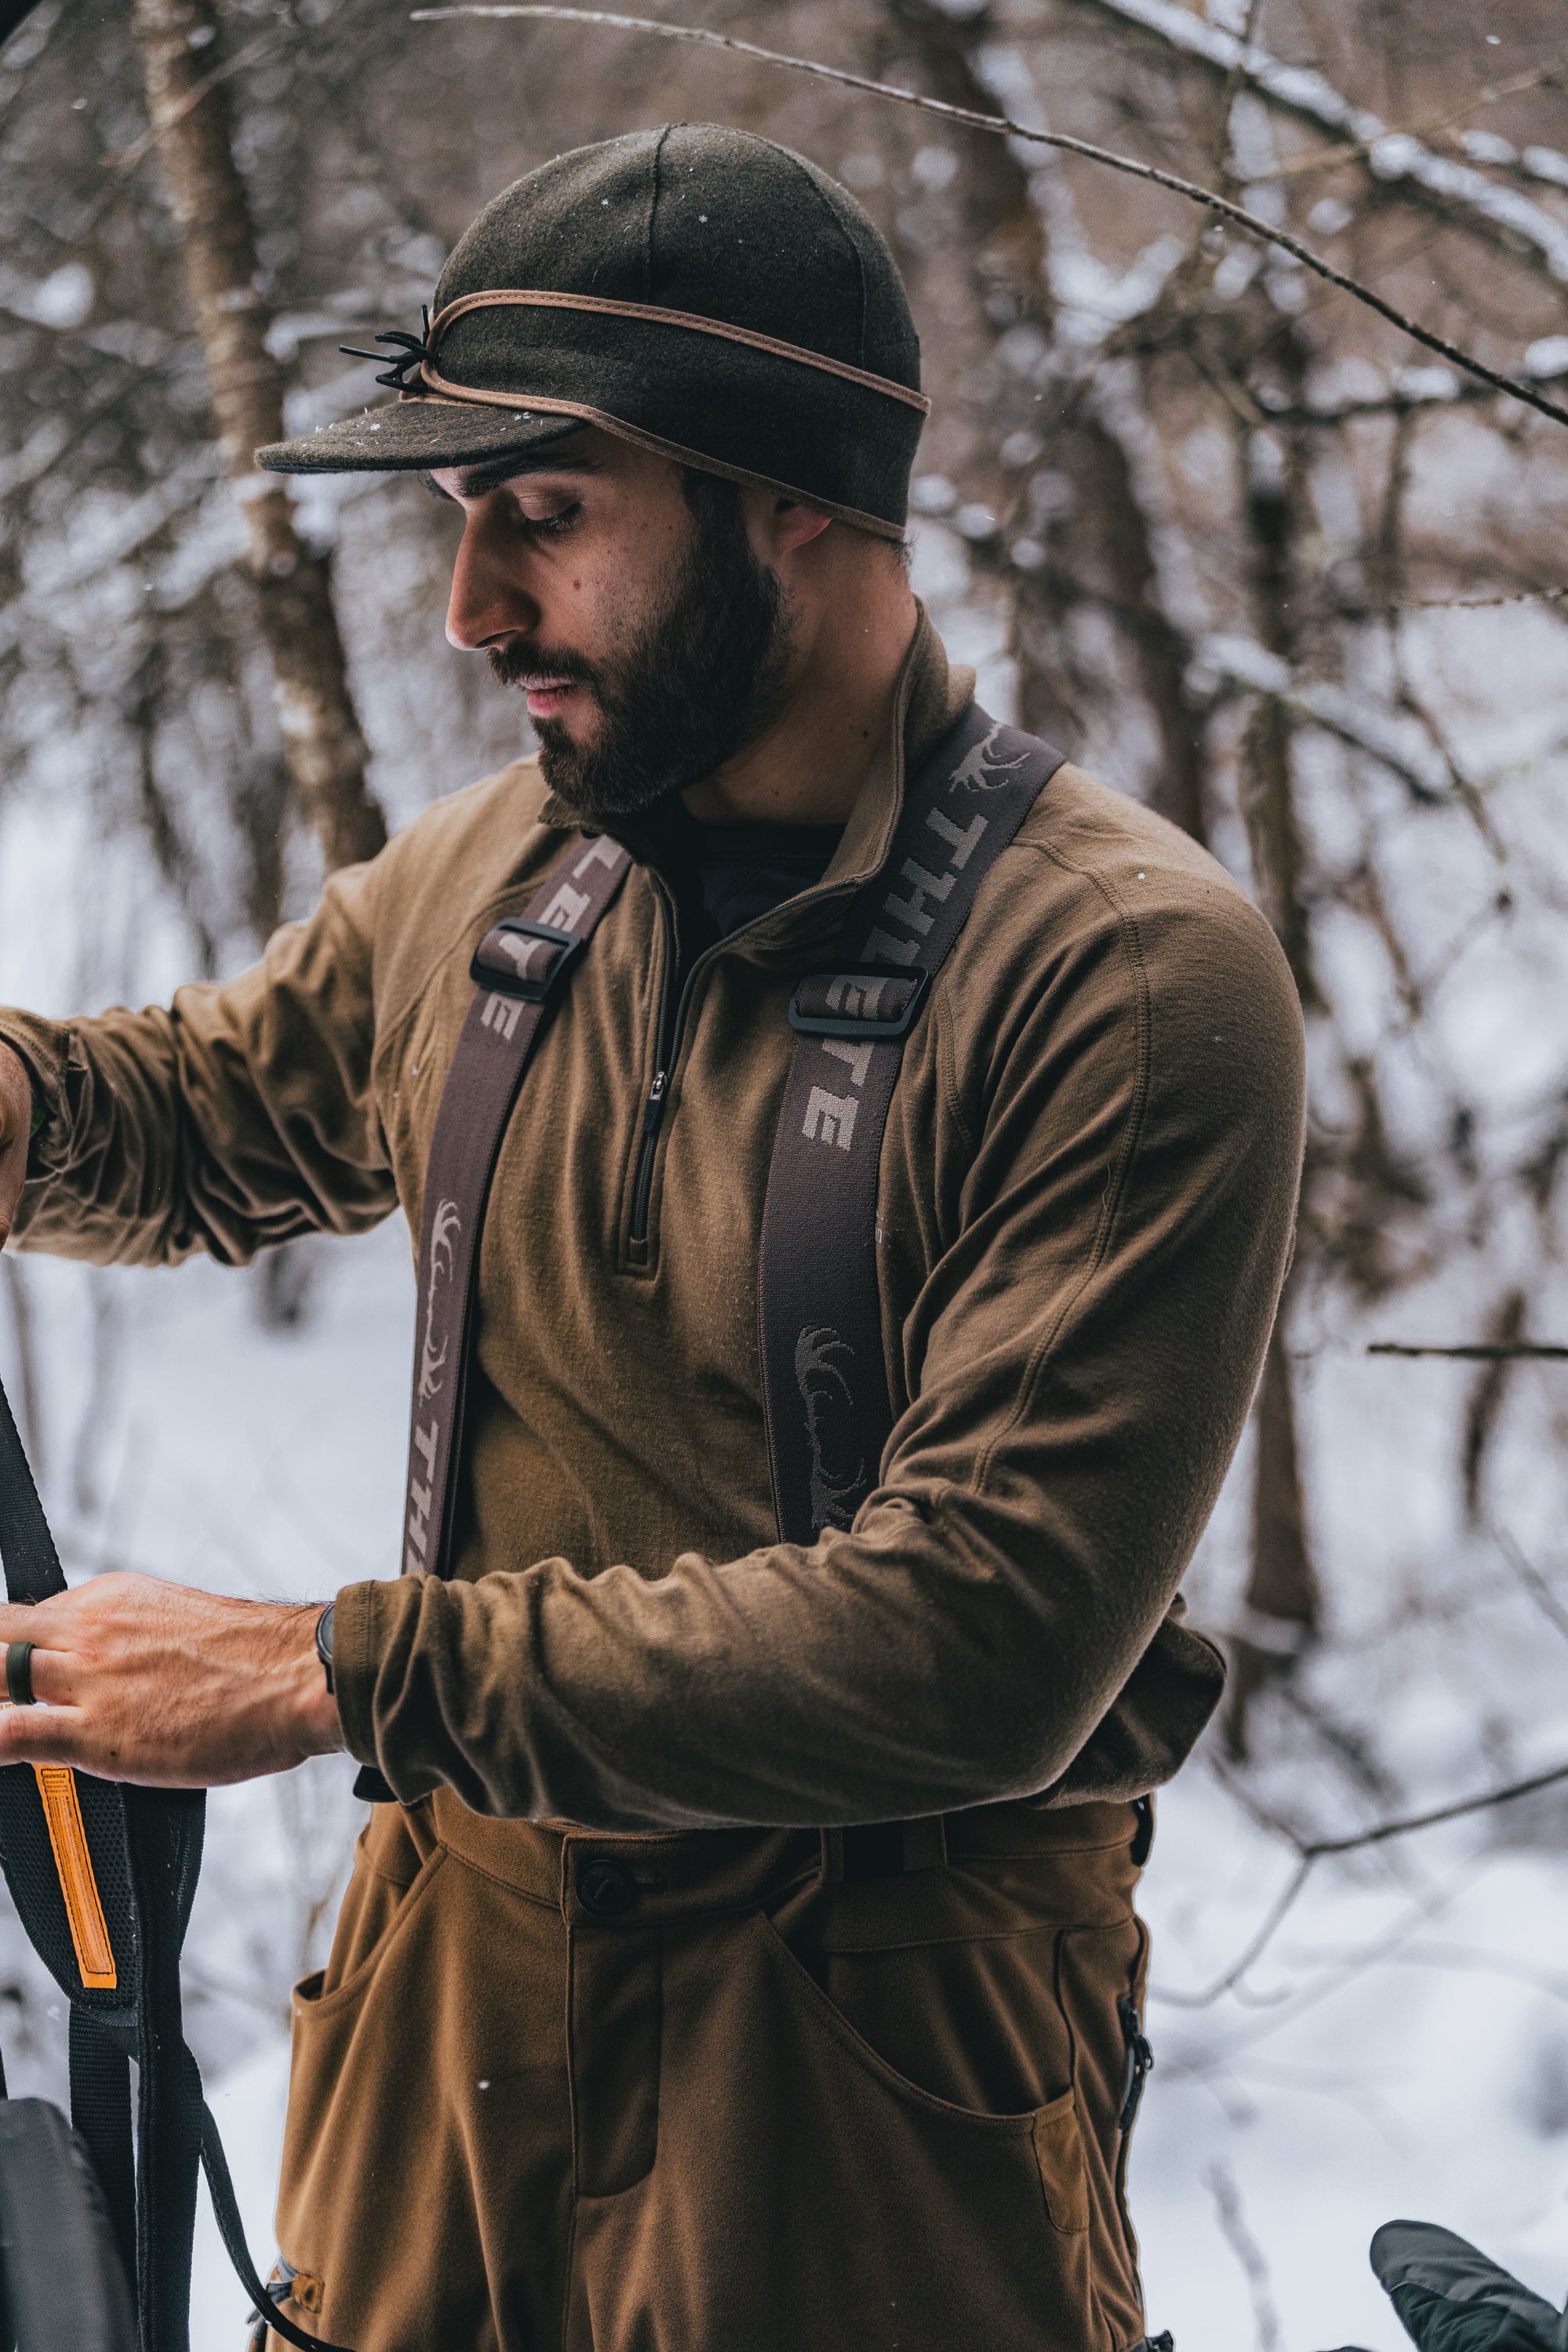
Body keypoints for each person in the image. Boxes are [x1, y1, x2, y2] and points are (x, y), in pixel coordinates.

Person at [0, 125, 1305, 2352]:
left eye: (549, 515)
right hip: (448, 2003)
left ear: (798, 496)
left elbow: (977, 1642)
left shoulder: (1123, 975)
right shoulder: (515, 868)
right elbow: (215, 1112)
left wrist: (327, 1671)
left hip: (872, 2066)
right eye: (464, 524)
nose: (472, 608)